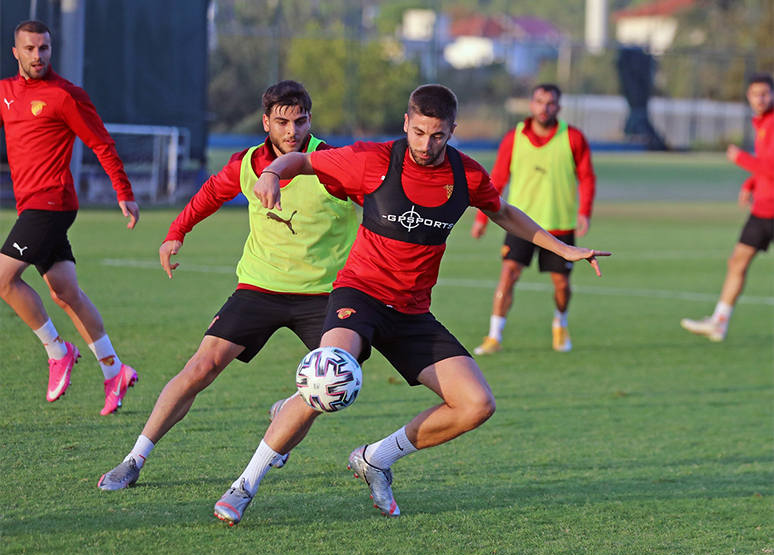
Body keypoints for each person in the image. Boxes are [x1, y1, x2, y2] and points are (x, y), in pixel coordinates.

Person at [212, 84, 610, 525]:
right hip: (360, 295)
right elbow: (303, 160)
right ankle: (244, 485)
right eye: (418, 132)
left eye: (437, 135)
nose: (426, 144)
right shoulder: (374, 160)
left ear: (452, 131)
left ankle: (376, 458)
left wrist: (563, 248)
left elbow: (503, 212)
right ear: (406, 123)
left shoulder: (466, 175)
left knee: (476, 404)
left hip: (412, 312)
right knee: (328, 371)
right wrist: (271, 174)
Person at [97, 80, 359, 490]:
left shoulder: (335, 162)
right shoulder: (246, 164)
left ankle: (285, 416)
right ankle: (133, 459)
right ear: (266, 121)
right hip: (259, 287)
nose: (292, 131)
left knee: (333, 384)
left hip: (325, 295)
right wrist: (175, 232)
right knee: (200, 367)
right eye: (282, 122)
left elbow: (379, 204)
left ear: (311, 119)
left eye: (301, 121)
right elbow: (209, 194)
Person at [0, 21, 139, 415]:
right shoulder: (5, 93)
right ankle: (115, 370)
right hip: (30, 205)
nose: (37, 55)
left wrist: (124, 192)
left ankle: (58, 351)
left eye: (43, 48)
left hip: (53, 202)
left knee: (3, 279)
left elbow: (101, 142)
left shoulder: (64, 96)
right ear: (16, 52)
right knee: (64, 292)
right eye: (29, 49)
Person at [470, 83, 596, 354]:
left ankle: (560, 324)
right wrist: (481, 218)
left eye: (550, 103)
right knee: (508, 273)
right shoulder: (514, 138)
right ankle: (494, 336)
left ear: (559, 107)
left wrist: (584, 210)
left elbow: (586, 177)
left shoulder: (572, 137)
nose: (544, 107)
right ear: (531, 104)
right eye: (539, 101)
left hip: (559, 222)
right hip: (520, 223)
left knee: (561, 283)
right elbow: (497, 179)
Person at [681, 73, 774, 342]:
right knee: (737, 262)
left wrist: (741, 159)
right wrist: (750, 184)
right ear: (748, 96)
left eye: (765, 93)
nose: (760, 98)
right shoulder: (761, 123)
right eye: (755, 93)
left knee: (738, 262)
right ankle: (719, 322)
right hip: (763, 209)